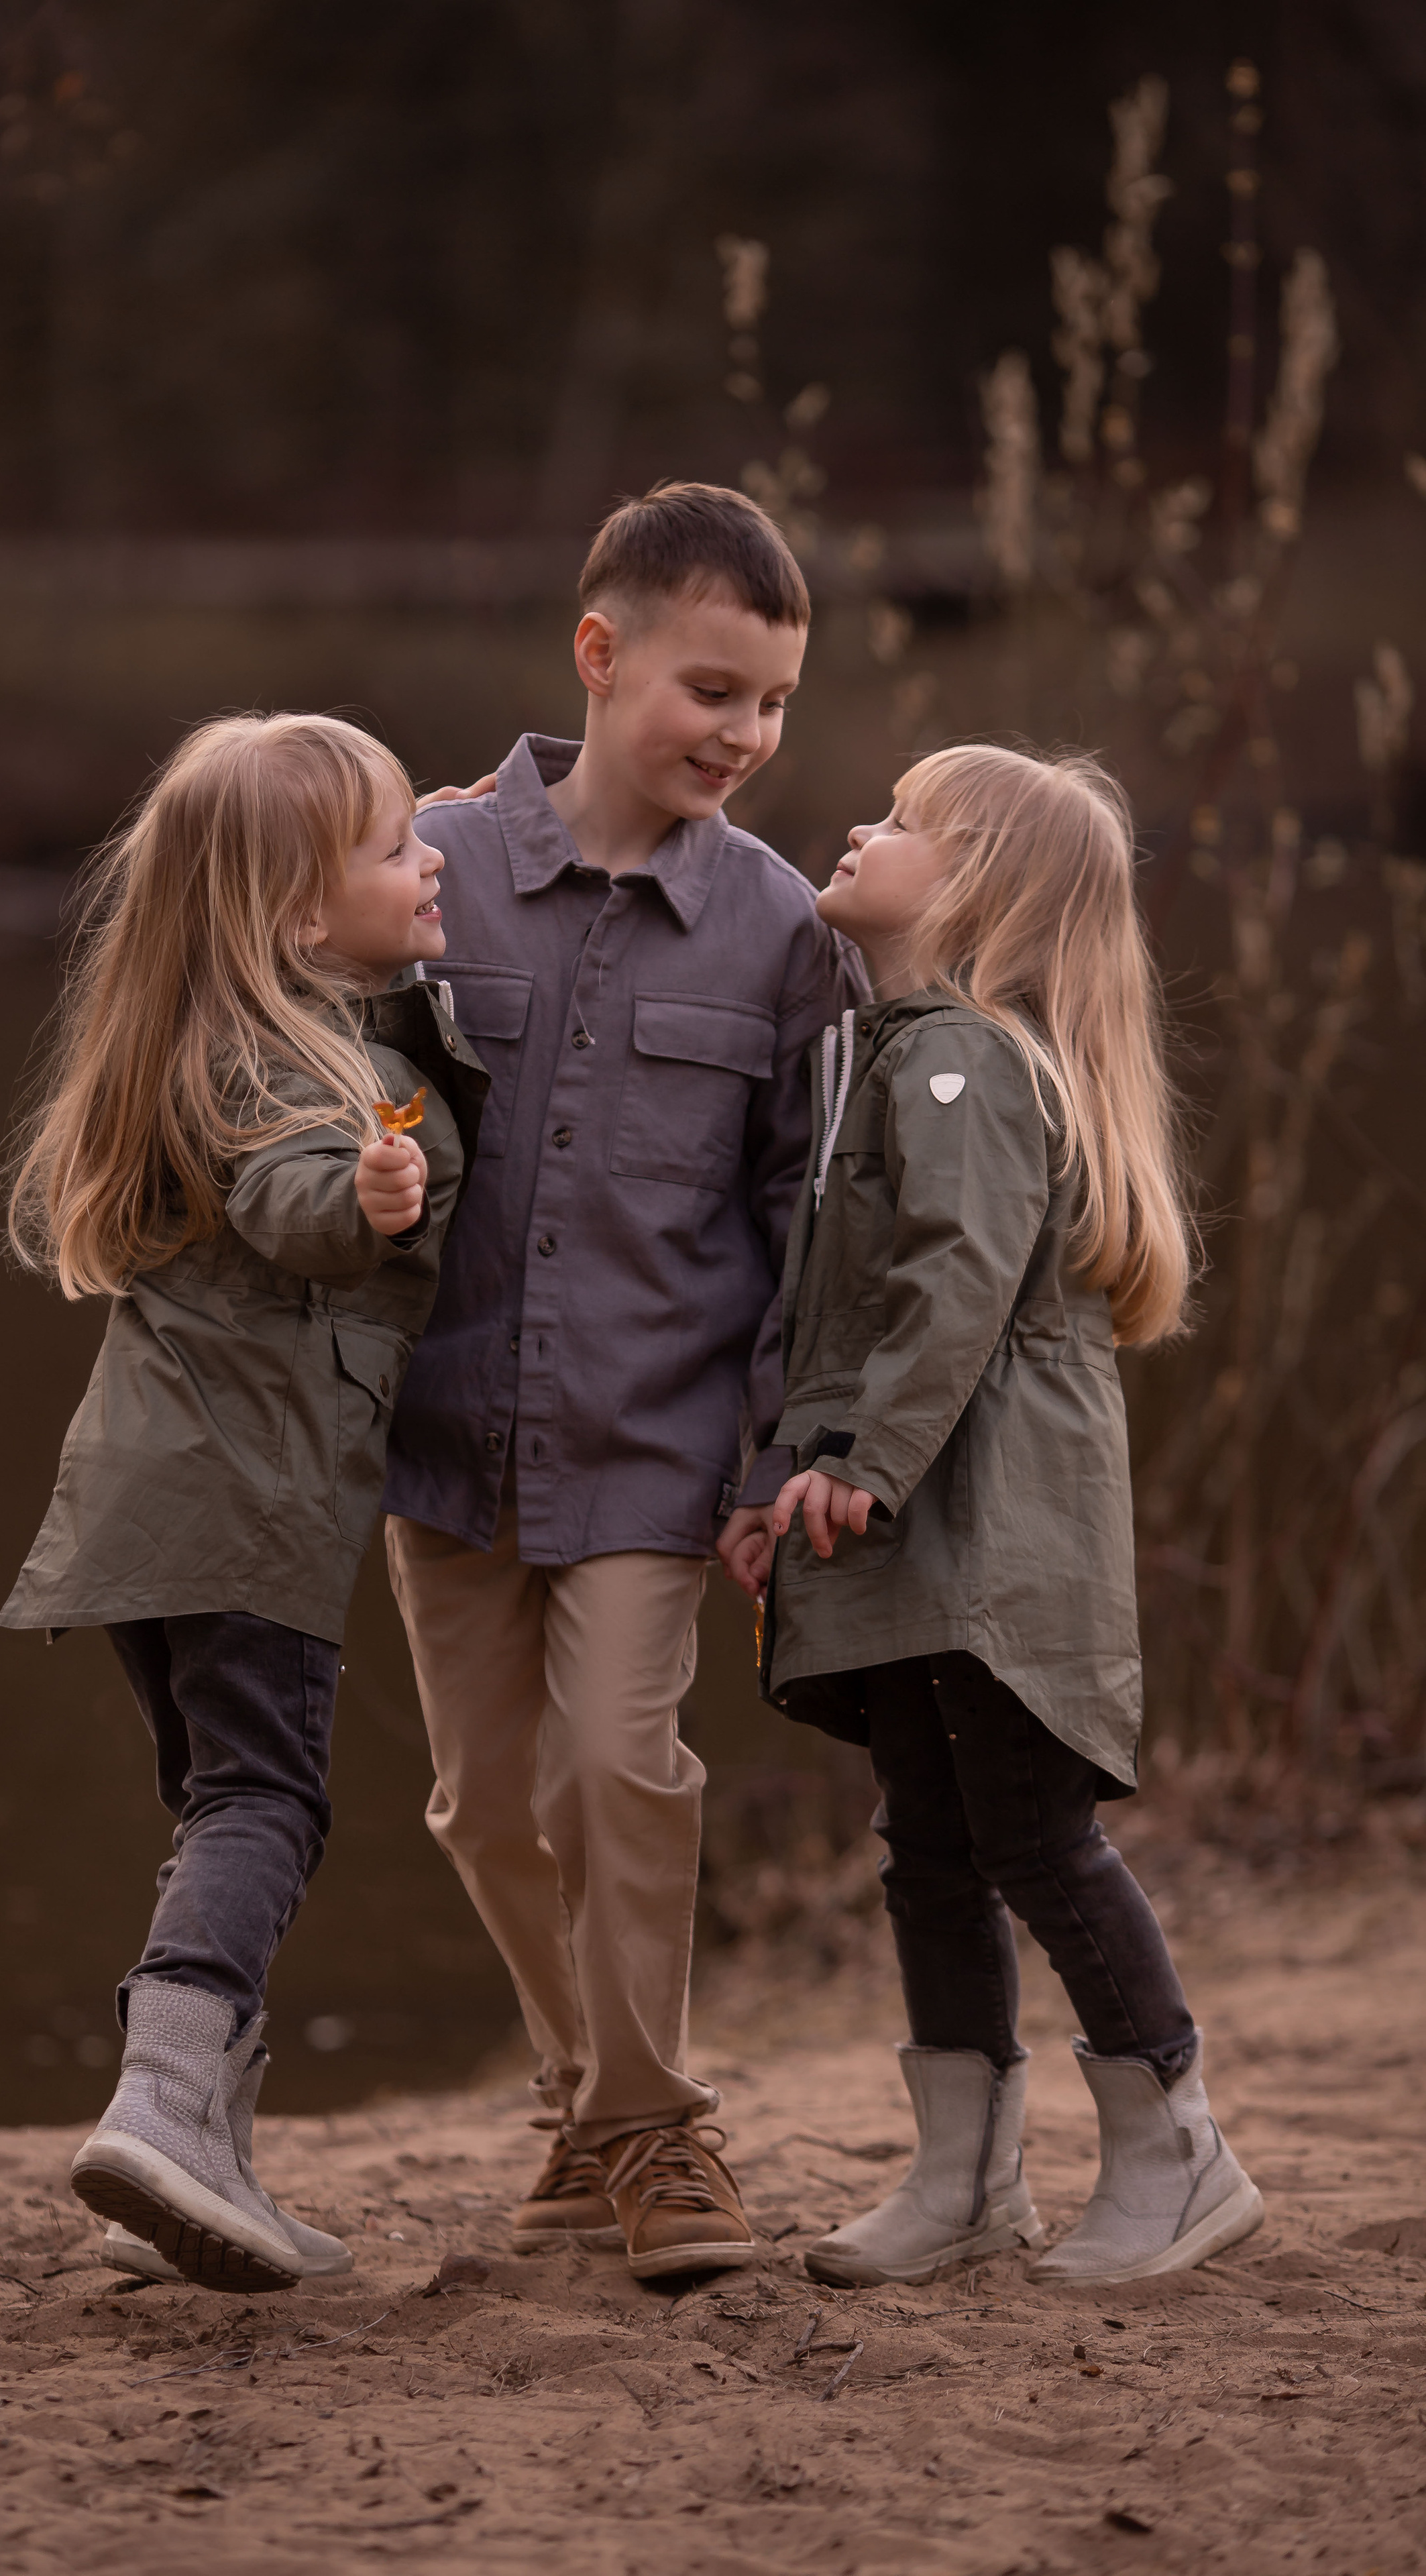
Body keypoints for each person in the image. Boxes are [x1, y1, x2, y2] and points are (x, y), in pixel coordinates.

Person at [382, 482, 864, 2279]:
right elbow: (312, 1067)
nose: (744, 734)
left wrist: (769, 1455)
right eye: (711, 689)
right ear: (599, 654)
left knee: (616, 1769)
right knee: (483, 1805)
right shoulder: (425, 867)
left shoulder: (780, 931)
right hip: (445, 1437)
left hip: (653, 1444)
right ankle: (583, 2105)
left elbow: (799, 1217)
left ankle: (656, 2134)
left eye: (774, 703)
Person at [730, 741, 1263, 2288]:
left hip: (987, 1529)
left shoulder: (959, 1058)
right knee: (927, 1845)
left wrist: (861, 1462)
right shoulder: (901, 1052)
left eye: (901, 821)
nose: (859, 826)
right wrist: (790, 1470)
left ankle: (1178, 2156)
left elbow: (952, 1283)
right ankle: (962, 2181)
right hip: (920, 1524)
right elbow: (856, 1315)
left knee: (1031, 1836)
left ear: (974, 889)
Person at [0, 712, 486, 2292]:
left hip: (139, 1513)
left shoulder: (218, 1036)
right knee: (265, 1805)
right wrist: (368, 1194)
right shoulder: (305, 1077)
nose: (430, 862)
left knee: (216, 1809)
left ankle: (199, 2156)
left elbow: (329, 1036)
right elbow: (296, 1198)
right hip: (246, 1509)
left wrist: (408, 851)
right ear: (294, 917)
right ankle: (159, 2105)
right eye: (397, 848)